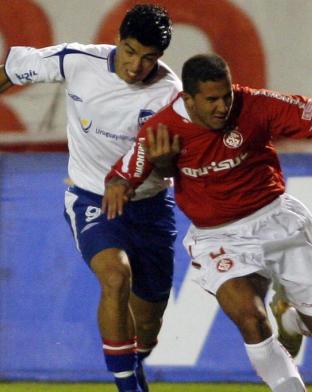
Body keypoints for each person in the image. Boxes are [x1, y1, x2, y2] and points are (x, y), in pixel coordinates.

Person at [103, 53, 312, 391]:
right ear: (187, 99)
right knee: (251, 319)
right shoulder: (162, 130)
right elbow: (123, 175)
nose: (222, 106)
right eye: (211, 99)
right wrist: (119, 188)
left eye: (226, 95)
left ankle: (291, 315)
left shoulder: (256, 105)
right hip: (219, 238)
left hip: (277, 222)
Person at [0, 4, 182, 392]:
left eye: (148, 58)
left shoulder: (170, 94)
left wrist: (164, 159)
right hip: (91, 197)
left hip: (150, 207)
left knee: (147, 330)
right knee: (116, 278)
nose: (136, 66)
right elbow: (9, 73)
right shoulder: (77, 61)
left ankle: (133, 363)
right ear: (117, 39)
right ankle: (129, 388)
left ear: (160, 57)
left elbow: (168, 170)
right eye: (131, 51)